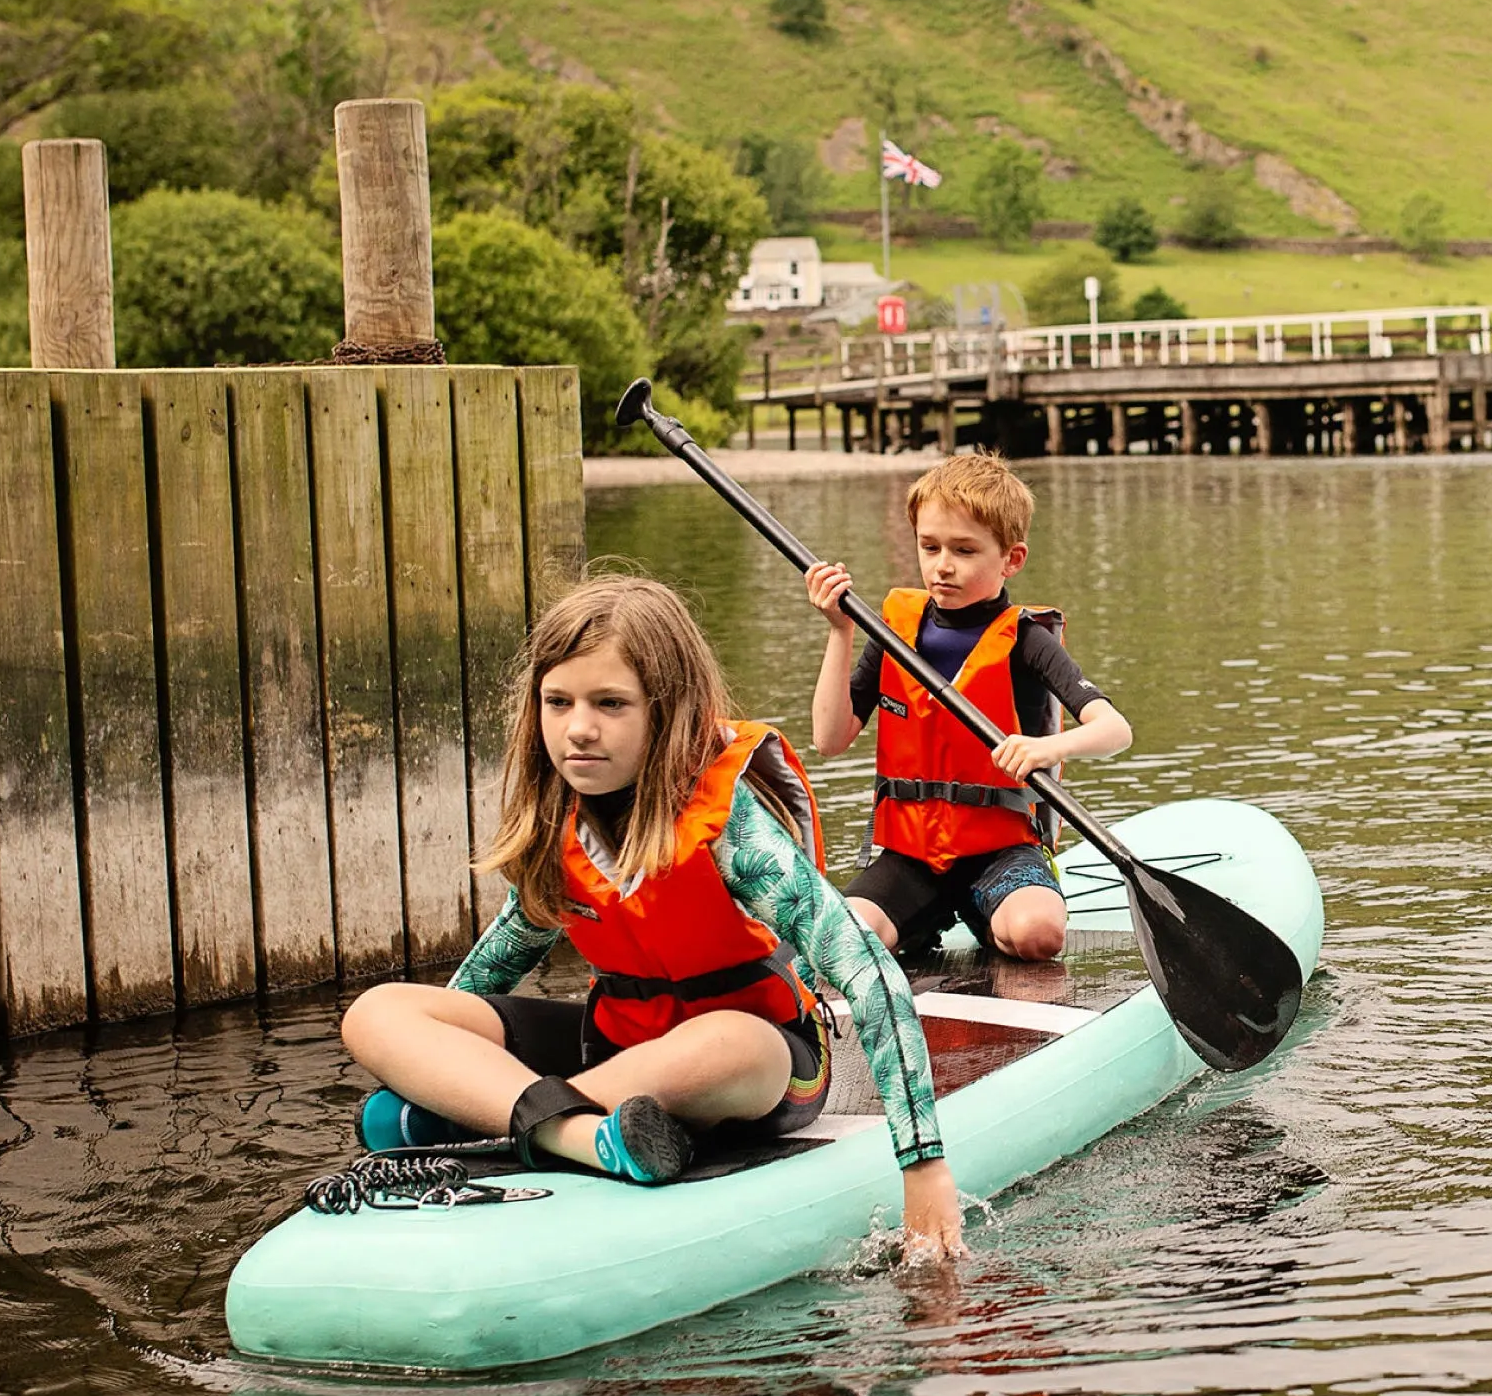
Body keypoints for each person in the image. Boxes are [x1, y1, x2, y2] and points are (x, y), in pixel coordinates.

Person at [340, 573, 964, 1257]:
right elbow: (493, 968)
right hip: (613, 1054)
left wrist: (923, 1163)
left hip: (755, 1065)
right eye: (559, 701)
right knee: (379, 1013)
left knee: (728, 1039)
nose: (579, 729)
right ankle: (579, 1136)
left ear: (666, 711)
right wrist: (433, 1068)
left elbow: (869, 972)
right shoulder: (559, 819)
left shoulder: (730, 828)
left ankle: (513, 1121)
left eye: (611, 703)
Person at [803, 448, 1131, 964]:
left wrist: (1048, 747)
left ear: (1011, 559)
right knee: (842, 943)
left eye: (964, 550)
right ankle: (918, 924)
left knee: (1038, 932)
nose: (943, 566)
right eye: (929, 547)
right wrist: (840, 631)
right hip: (911, 855)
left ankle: (997, 919)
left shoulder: (1026, 640)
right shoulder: (893, 632)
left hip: (999, 854)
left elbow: (1115, 730)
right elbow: (829, 739)